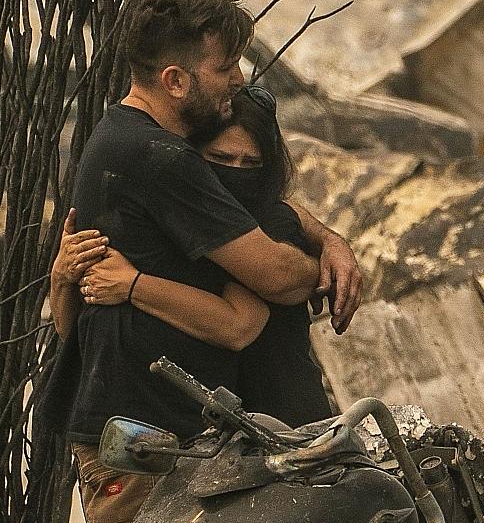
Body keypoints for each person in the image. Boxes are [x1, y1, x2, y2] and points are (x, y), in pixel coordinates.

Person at [39, 0, 361, 523]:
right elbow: (279, 280)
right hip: (145, 434)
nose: (237, 78)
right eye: (224, 66)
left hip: (150, 430)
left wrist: (326, 236)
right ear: (175, 81)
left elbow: (253, 202)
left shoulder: (122, 139)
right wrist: (316, 264)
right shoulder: (159, 159)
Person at [70, 86, 349, 428]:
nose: (237, 172)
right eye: (221, 159)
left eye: (251, 163)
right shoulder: (180, 225)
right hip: (191, 425)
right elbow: (78, 332)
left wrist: (133, 285)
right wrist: (62, 277)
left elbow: (240, 324)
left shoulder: (265, 226)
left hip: (285, 423)